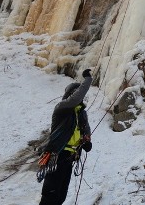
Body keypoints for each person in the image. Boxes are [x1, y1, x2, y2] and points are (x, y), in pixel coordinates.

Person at [38, 69, 93, 205]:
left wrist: (87, 142)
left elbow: (86, 131)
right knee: (50, 195)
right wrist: (87, 79)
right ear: (69, 94)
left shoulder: (81, 114)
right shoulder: (61, 108)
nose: (80, 98)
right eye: (75, 93)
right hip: (57, 155)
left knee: (61, 195)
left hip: (70, 158)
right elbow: (77, 97)